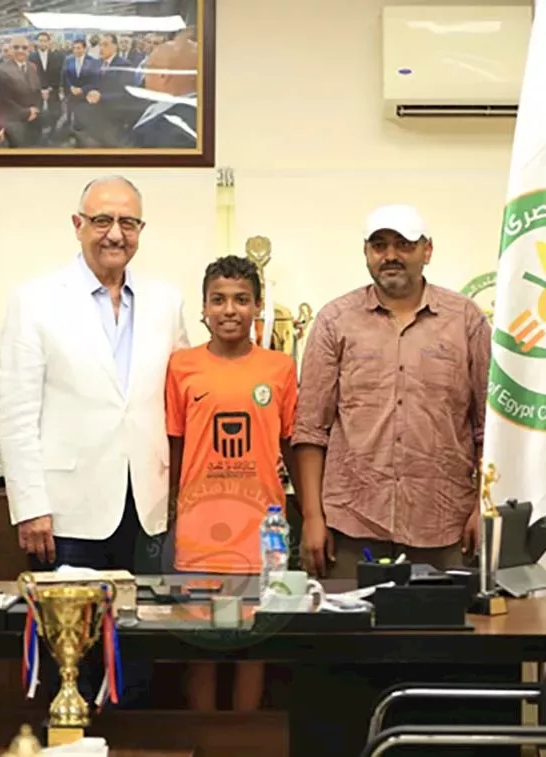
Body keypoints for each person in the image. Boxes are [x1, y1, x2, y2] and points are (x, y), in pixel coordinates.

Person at [0, 175, 189, 705]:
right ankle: (70, 737)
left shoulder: (165, 300)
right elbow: (15, 412)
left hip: (146, 506)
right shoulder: (36, 300)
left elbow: (181, 396)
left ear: (141, 230)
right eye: (102, 220)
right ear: (78, 225)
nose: (115, 234)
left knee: (140, 646)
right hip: (65, 512)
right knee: (71, 653)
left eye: (128, 222)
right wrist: (30, 506)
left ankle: (132, 737)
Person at [293, 204, 491, 577]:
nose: (390, 255)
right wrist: (312, 517)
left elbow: (488, 427)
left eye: (404, 244)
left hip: (443, 526)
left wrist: (484, 506)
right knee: (348, 617)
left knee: (448, 617)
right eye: (379, 245)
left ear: (427, 250)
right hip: (351, 524)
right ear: (366, 252)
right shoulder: (335, 321)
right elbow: (310, 430)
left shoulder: (466, 320)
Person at [165, 255, 298, 712]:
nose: (229, 310)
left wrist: (310, 512)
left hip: (260, 535)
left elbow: (291, 443)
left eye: (242, 300)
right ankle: (204, 737)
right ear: (203, 308)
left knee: (252, 645)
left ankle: (244, 738)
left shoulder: (280, 368)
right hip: (199, 533)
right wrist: (172, 510)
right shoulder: (181, 367)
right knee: (203, 648)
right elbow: (174, 444)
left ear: (258, 307)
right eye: (218, 300)